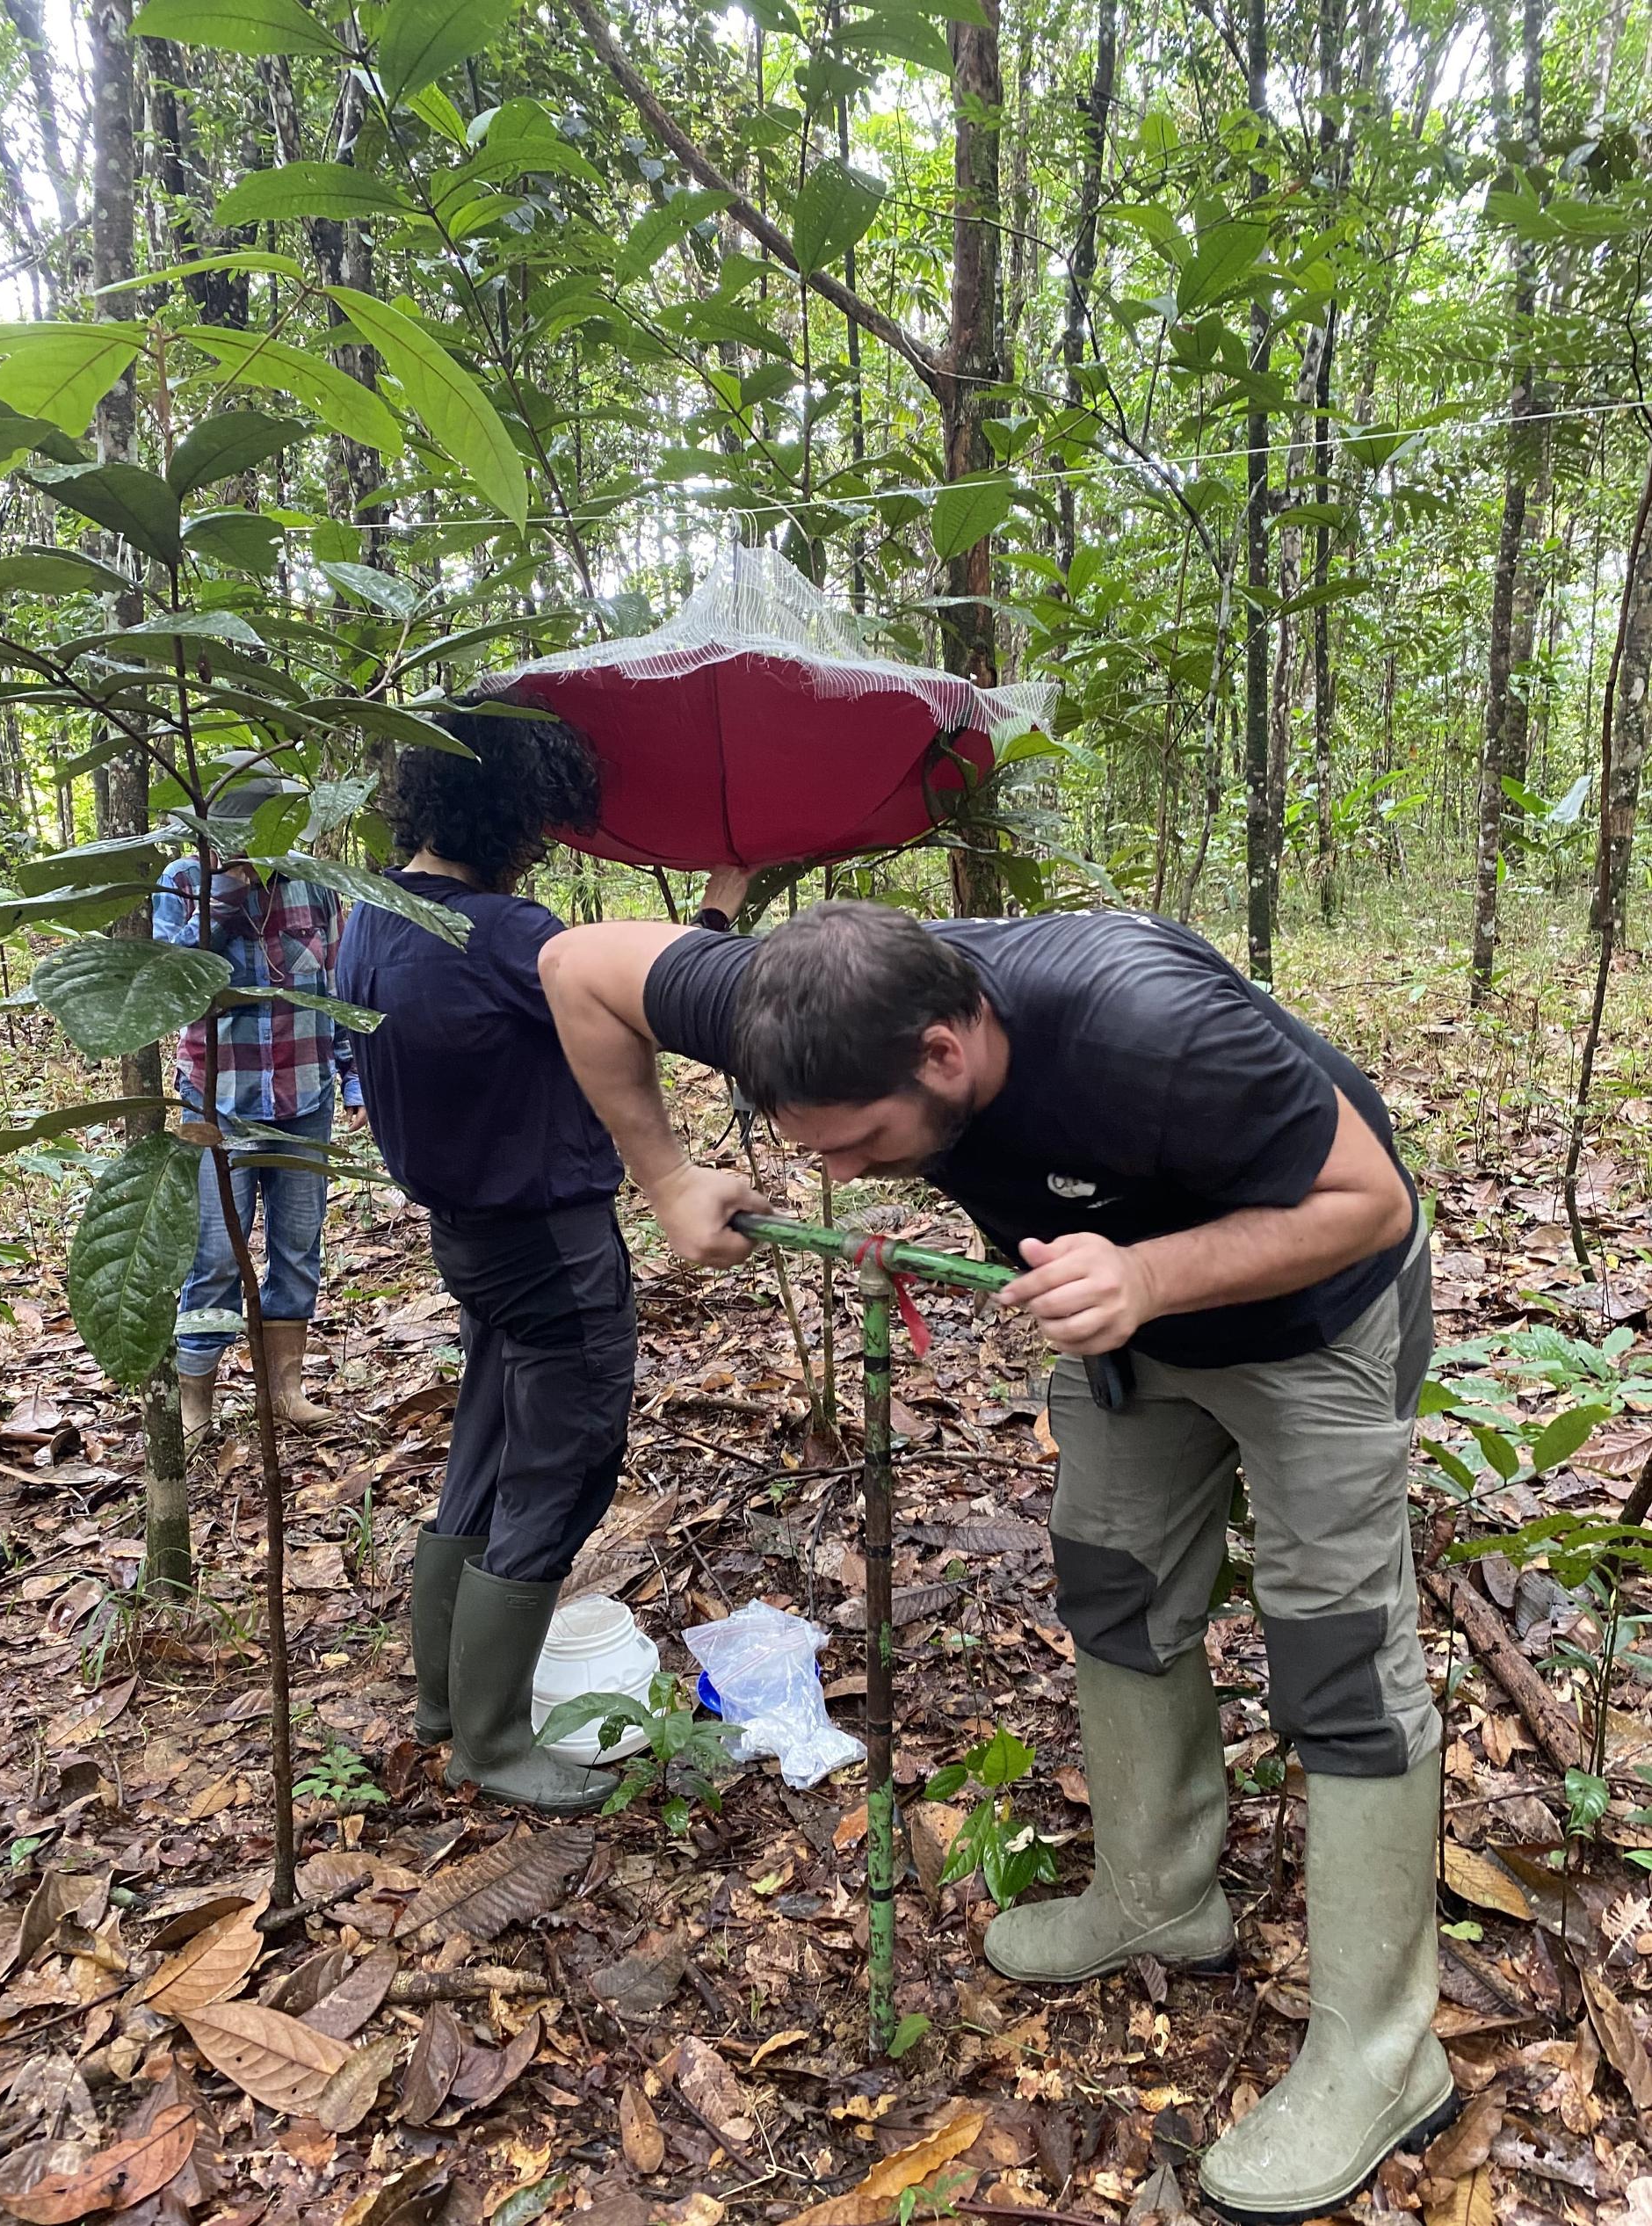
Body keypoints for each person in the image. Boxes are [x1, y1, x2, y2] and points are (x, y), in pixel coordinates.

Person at [537, 900, 1450, 2224]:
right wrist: (669, 1177)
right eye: (813, 1149)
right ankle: (1157, 1895)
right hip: (1127, 1326)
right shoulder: (788, 995)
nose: (840, 1176)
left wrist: (1143, 1275)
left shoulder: (1147, 1025)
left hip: (1315, 1312)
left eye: (861, 1143)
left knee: (1337, 1654)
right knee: (1116, 1584)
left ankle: (1383, 2052)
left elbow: (1370, 1201)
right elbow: (577, 965)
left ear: (947, 1051)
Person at [337, 707, 747, 1814]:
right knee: (560, 1470)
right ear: (512, 809)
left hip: (469, 1242)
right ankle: (496, 1743)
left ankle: (446, 1707)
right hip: (552, 1244)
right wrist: (724, 899)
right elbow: (658, 1001)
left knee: (483, 1443)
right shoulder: (502, 933)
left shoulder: (371, 917)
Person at [153, 754, 366, 1446]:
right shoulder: (183, 882)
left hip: (304, 1096)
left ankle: (285, 1390)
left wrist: (352, 1076)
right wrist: (226, 897)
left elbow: (333, 989)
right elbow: (172, 983)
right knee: (214, 1252)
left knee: (299, 1247)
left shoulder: (313, 886)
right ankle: (197, 1402)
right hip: (217, 1103)